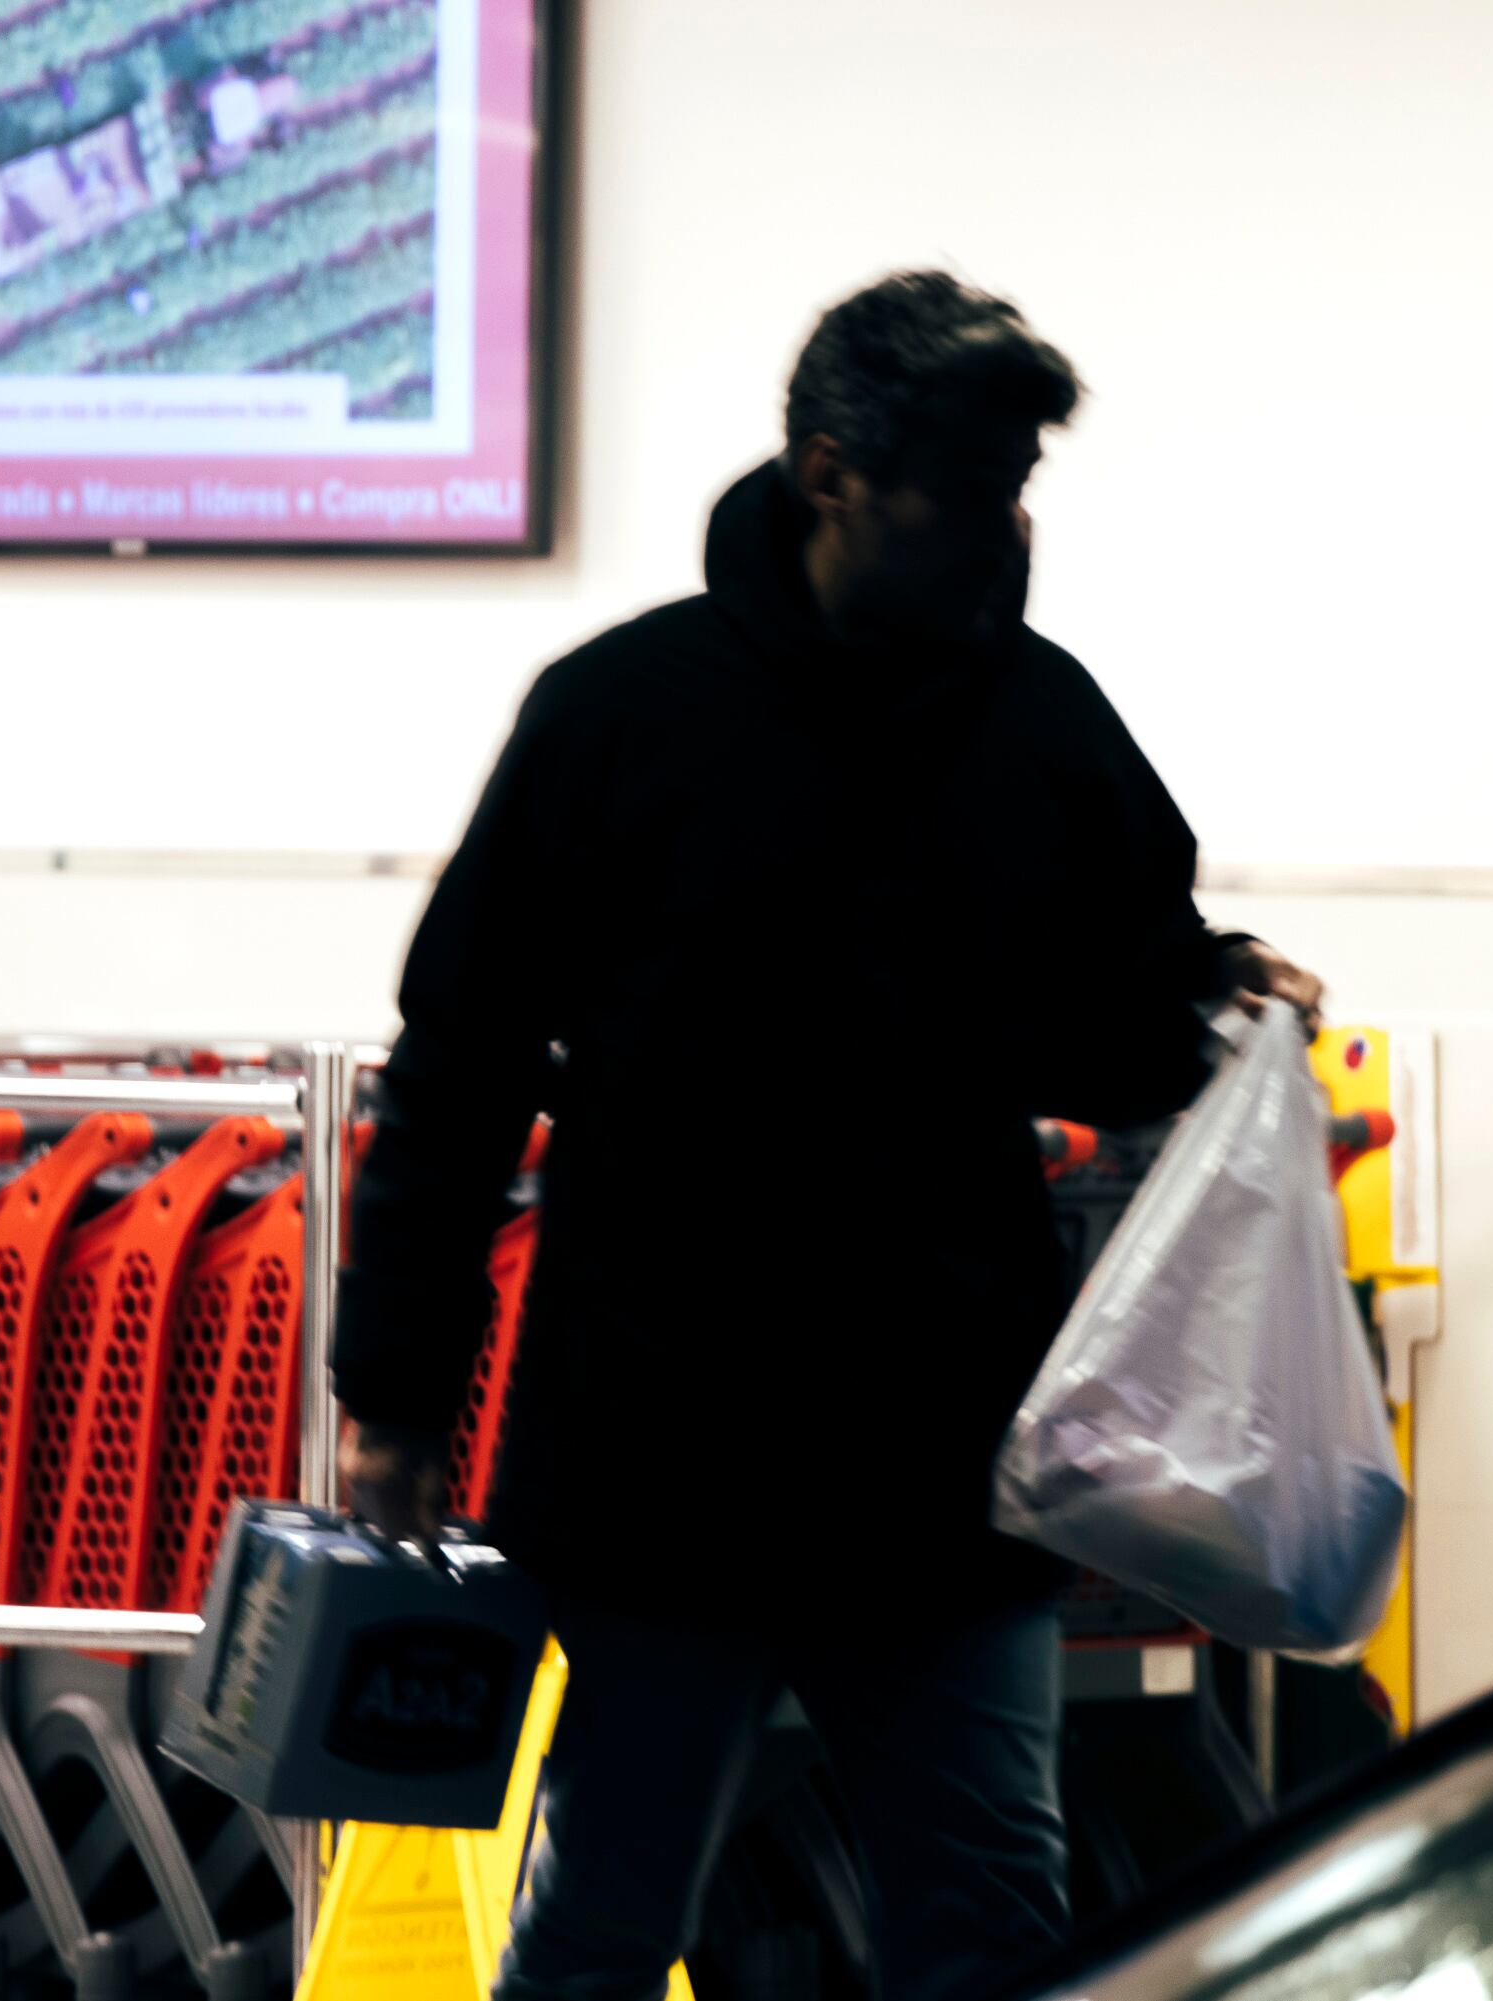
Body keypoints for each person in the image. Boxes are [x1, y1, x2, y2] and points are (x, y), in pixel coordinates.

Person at [332, 270, 1324, 2001]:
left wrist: (1218, 1006)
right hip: (662, 1452)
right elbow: (461, 1057)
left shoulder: (1043, 719)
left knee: (991, 1923)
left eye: (1024, 485)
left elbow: (1115, 1011)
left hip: (941, 1463)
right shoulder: (622, 713)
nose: (1008, 531)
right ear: (829, 474)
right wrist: (395, 1393)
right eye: (969, 487)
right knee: (615, 1915)